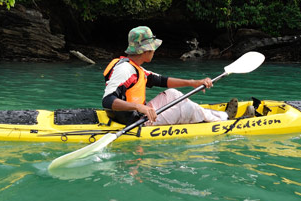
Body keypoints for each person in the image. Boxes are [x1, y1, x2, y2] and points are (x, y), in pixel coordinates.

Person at [102, 26, 251, 126]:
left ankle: (220, 116)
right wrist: (139, 107)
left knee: (173, 94)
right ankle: (226, 120)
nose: (155, 51)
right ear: (145, 51)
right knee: (185, 109)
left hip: (137, 114)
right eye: (153, 48)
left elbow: (162, 80)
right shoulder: (125, 70)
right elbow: (108, 101)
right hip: (135, 122)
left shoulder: (134, 67)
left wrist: (193, 82)